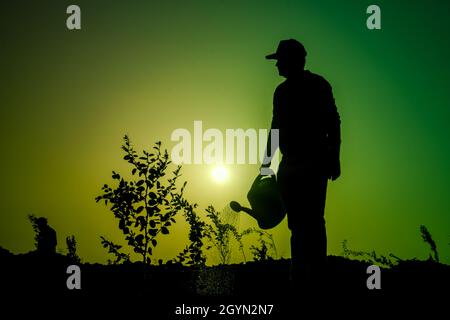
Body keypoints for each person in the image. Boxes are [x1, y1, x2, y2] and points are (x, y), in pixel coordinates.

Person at [262, 39, 341, 288]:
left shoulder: (299, 89)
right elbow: (332, 123)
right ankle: (306, 275)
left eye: (279, 61)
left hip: (308, 162)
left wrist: (266, 165)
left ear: (291, 61)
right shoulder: (298, 88)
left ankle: (308, 276)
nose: (277, 66)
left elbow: (332, 122)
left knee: (307, 222)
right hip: (302, 163)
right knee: (305, 221)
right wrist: (266, 164)